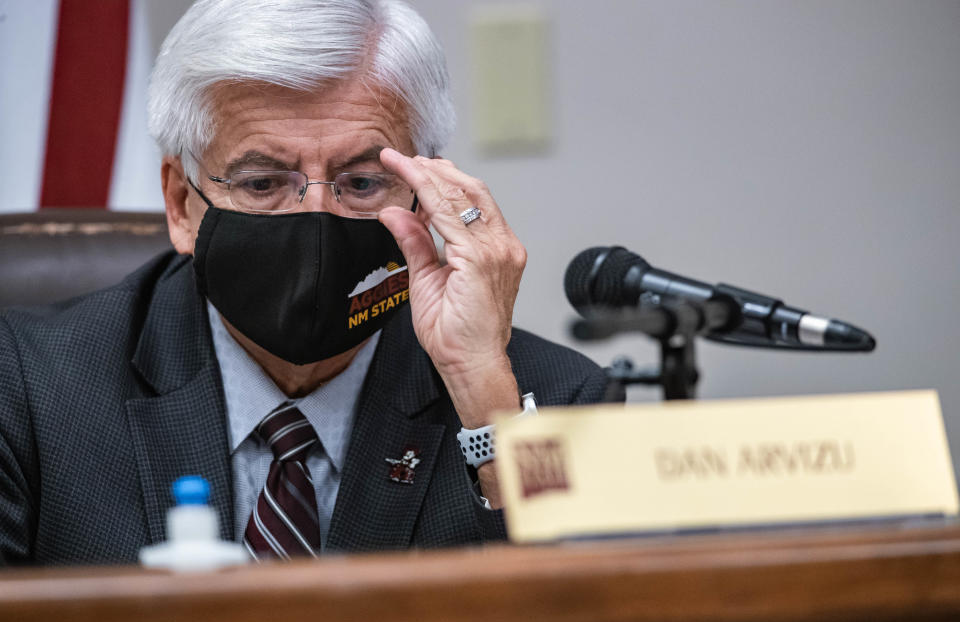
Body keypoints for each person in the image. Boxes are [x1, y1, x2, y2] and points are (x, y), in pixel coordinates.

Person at [0, 0, 610, 566]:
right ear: (182, 203)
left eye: (363, 183)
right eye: (263, 183)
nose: (315, 220)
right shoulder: (28, 391)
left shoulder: (556, 397)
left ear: (425, 199)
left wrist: (482, 389)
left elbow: (582, 610)